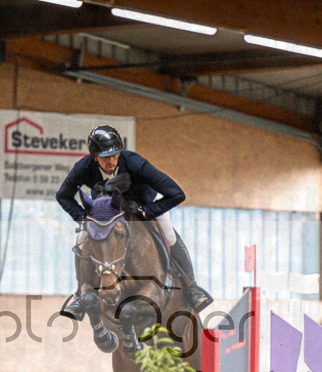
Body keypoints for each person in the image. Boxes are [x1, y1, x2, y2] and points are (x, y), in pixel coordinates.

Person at [55, 125, 213, 320]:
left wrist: (147, 211)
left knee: (168, 233)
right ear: (94, 156)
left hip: (146, 202)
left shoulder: (136, 164)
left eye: (115, 155)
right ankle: (80, 293)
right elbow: (63, 196)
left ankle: (192, 287)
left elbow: (177, 193)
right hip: (108, 211)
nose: (112, 161)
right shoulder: (84, 167)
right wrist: (83, 217)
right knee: (82, 237)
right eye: (105, 157)